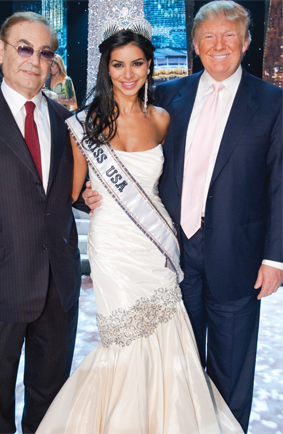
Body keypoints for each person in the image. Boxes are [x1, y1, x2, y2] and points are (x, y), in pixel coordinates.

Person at [36, 8, 243, 434]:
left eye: (136, 63)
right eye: (117, 64)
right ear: (106, 68)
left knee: (168, 331)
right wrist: (86, 195)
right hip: (113, 245)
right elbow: (73, 191)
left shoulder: (163, 118)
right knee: (124, 339)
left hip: (156, 243)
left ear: (149, 65)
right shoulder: (86, 123)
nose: (127, 74)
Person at [83, 1, 283, 432]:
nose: (219, 45)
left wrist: (276, 258)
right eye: (208, 36)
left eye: (230, 35)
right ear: (194, 45)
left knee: (231, 373)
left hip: (239, 259)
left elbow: (280, 184)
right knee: (177, 367)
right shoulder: (170, 97)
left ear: (246, 43)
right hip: (172, 259)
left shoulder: (272, 102)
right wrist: (90, 194)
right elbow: (134, 160)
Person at [0, 12, 87, 433]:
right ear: (1, 51)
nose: (34, 60)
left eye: (44, 52)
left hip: (57, 286)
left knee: (50, 402)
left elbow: (72, 193)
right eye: (24, 48)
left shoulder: (69, 126)